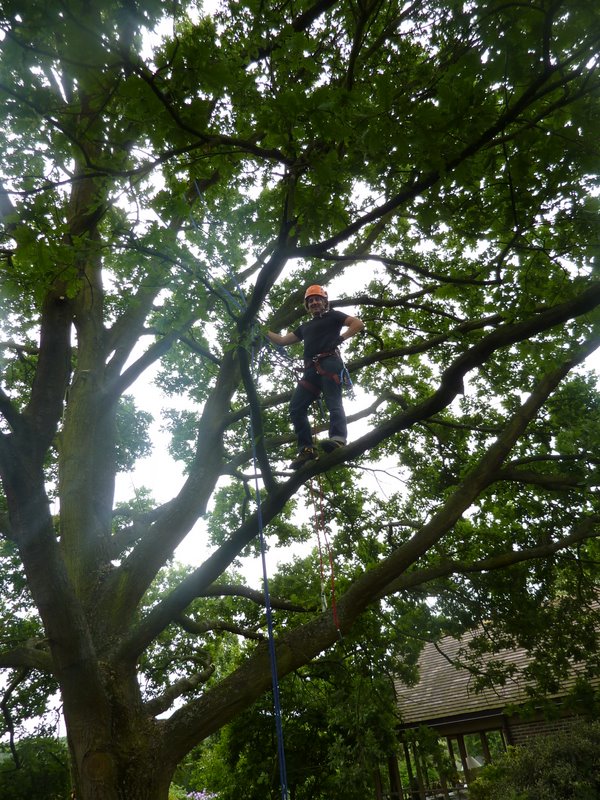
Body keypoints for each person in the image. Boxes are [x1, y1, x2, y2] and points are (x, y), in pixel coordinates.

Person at [268, 284, 364, 469]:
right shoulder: (305, 327)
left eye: (317, 299)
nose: (314, 302)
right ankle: (306, 449)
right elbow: (281, 340)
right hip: (311, 370)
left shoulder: (334, 316)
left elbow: (357, 324)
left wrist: (341, 338)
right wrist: (261, 329)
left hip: (329, 363)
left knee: (333, 402)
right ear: (307, 306)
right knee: (296, 407)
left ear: (325, 301)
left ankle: (338, 439)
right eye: (310, 301)